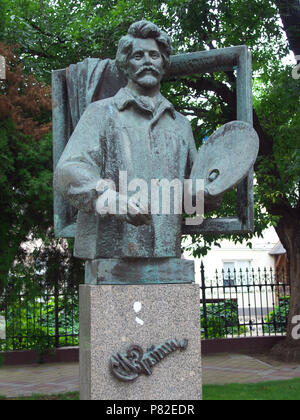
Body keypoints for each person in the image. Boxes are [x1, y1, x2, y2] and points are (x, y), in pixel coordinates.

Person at [54, 21, 198, 260]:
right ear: (126, 64)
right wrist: (112, 200)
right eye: (138, 56)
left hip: (166, 253)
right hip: (111, 254)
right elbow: (68, 172)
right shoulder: (99, 113)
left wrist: (212, 189)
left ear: (163, 62)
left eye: (154, 55)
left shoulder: (181, 125)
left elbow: (195, 191)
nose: (147, 61)